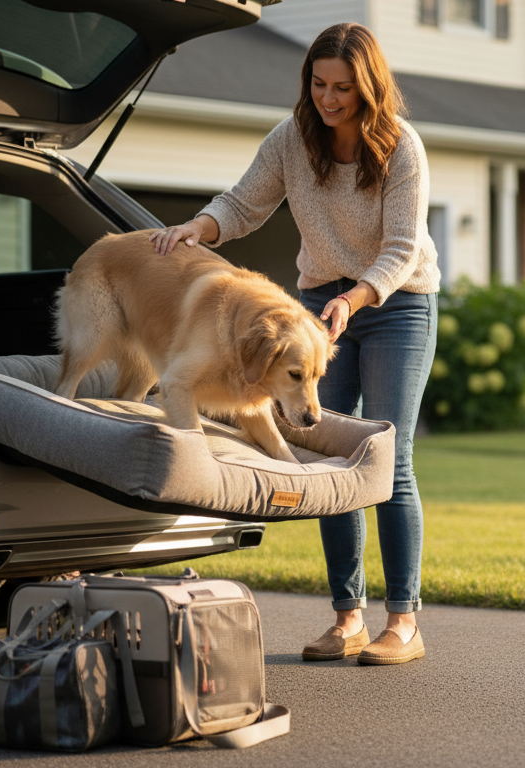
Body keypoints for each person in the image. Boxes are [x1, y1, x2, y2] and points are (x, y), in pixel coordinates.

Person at [149, 23, 439, 666]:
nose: (329, 99)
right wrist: (199, 228)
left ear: (368, 89)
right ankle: (348, 618)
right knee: (328, 458)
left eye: (343, 88)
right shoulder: (293, 138)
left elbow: (402, 249)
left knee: (386, 459)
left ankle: (405, 622)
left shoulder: (401, 148)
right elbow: (245, 203)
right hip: (315, 309)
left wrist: (354, 298)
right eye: (318, 84)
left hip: (395, 306)